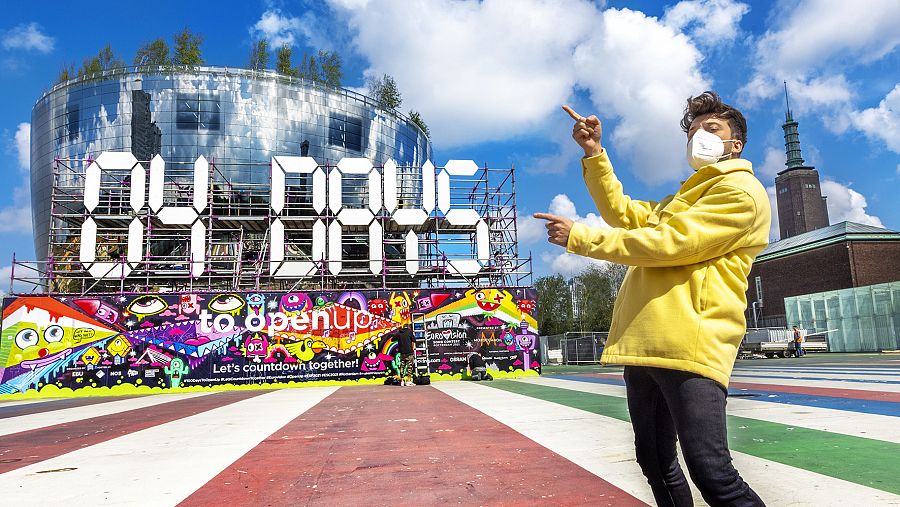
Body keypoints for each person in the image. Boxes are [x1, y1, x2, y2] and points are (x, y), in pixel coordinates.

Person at [535, 92, 769, 507]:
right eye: (693, 131)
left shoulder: (740, 192)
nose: (699, 136)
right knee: (655, 461)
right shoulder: (684, 198)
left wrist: (579, 237)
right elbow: (624, 214)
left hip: (688, 343)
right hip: (647, 344)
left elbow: (670, 243)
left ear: (736, 145)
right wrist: (594, 153)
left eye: (711, 129)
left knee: (713, 473)